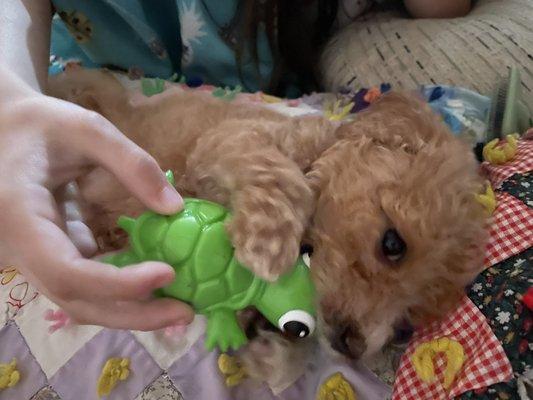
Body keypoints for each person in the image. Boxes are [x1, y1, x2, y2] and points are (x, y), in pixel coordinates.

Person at [0, 0, 471, 331]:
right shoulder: (297, 149)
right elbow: (226, 146)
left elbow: (446, 11)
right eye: (391, 246)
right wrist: (12, 100)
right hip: (66, 81)